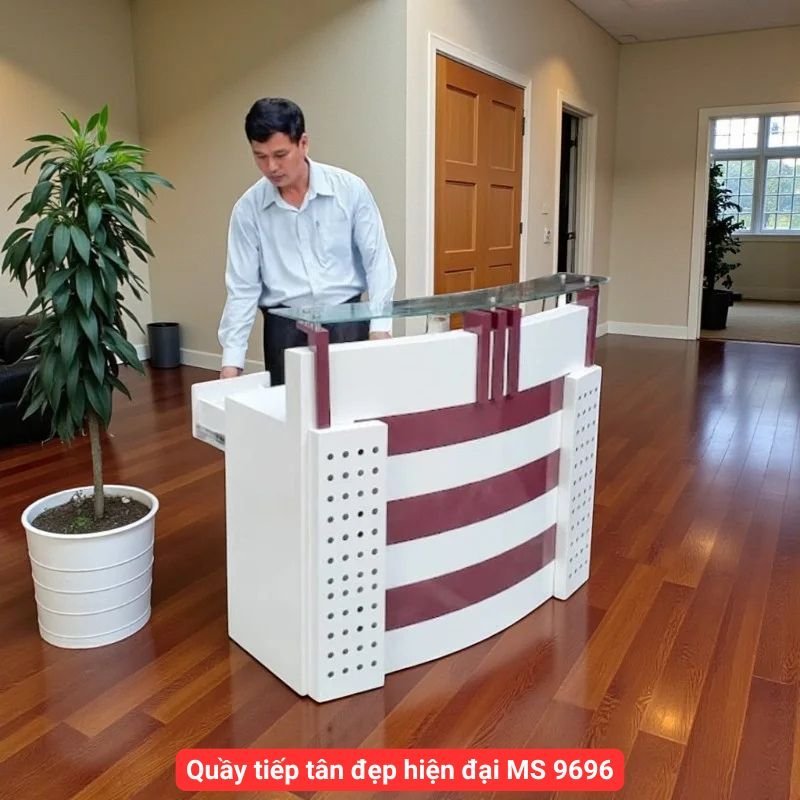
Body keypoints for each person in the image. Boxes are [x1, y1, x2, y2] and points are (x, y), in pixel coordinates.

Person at [218, 97, 397, 385]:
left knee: (354, 402)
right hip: (284, 329)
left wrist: (380, 327)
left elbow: (378, 262)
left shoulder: (350, 190)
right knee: (287, 408)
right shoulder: (248, 209)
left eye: (280, 154)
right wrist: (232, 361)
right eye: (260, 156)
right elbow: (242, 287)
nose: (271, 167)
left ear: (303, 143)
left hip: (347, 320)